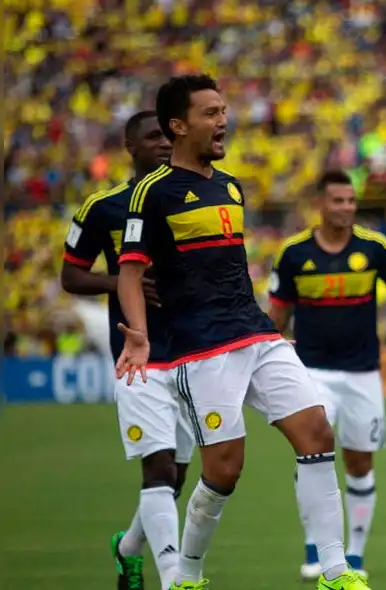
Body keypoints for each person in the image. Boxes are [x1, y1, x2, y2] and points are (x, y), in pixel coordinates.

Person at [114, 75, 369, 590]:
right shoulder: (151, 192)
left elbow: (228, 268)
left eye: (224, 110)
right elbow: (129, 271)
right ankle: (186, 574)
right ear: (178, 125)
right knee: (225, 469)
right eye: (211, 113)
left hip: (255, 333)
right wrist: (138, 336)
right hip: (201, 346)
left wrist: (273, 331)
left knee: (317, 432)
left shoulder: (230, 185)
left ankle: (336, 570)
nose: (223, 120)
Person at [61, 110, 193, 590]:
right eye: (152, 136)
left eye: (166, 135)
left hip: (192, 352)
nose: (162, 143)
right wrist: (123, 278)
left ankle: (127, 548)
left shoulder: (193, 196)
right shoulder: (104, 206)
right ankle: (176, 580)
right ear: (130, 146)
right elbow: (71, 275)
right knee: (156, 468)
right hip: (136, 355)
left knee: (176, 475)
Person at [268, 170, 386, 580]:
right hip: (311, 372)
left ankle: (356, 556)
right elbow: (276, 317)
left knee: (360, 463)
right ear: (320, 204)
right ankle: (316, 548)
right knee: (312, 457)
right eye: (338, 201)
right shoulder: (293, 254)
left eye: (351, 201)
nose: (347, 208)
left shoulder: (375, 248)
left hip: (363, 373)